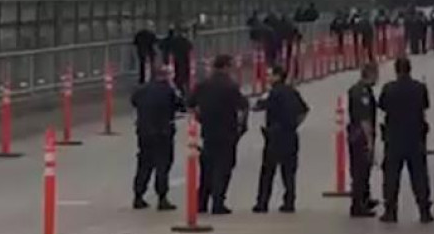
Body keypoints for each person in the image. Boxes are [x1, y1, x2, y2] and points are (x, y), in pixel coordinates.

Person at [187, 54, 249, 215]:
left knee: (207, 167)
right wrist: (241, 127)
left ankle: (201, 202)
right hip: (227, 131)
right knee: (224, 167)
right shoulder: (230, 86)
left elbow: (190, 104)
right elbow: (243, 107)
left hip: (208, 131)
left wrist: (200, 118)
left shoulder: (203, 85)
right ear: (227, 66)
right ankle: (218, 202)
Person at [378, 57, 434, 224]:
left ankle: (390, 210)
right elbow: (425, 106)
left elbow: (382, 106)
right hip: (415, 136)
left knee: (391, 175)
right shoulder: (420, 88)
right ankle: (424, 210)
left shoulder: (389, 89)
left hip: (394, 136)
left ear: (396, 70)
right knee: (419, 175)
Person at [254, 65, 310, 213]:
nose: (267, 78)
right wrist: (295, 124)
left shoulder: (273, 93)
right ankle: (289, 202)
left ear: (278, 76)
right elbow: (304, 111)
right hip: (290, 134)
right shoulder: (292, 91)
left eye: (270, 75)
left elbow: (259, 106)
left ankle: (262, 203)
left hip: (274, 135)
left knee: (268, 171)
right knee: (289, 172)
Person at [130, 65, 183, 210]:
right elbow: (180, 105)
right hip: (163, 131)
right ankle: (162, 197)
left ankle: (138, 196)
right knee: (162, 164)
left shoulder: (141, 90)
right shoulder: (169, 91)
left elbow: (134, 102)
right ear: (167, 76)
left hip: (144, 131)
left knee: (144, 163)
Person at [347, 63, 381, 217]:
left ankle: (364, 198)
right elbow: (364, 119)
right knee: (360, 171)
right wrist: (370, 142)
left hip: (357, 134)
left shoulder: (362, 90)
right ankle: (358, 205)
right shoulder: (361, 93)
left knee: (364, 169)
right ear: (370, 74)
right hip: (360, 135)